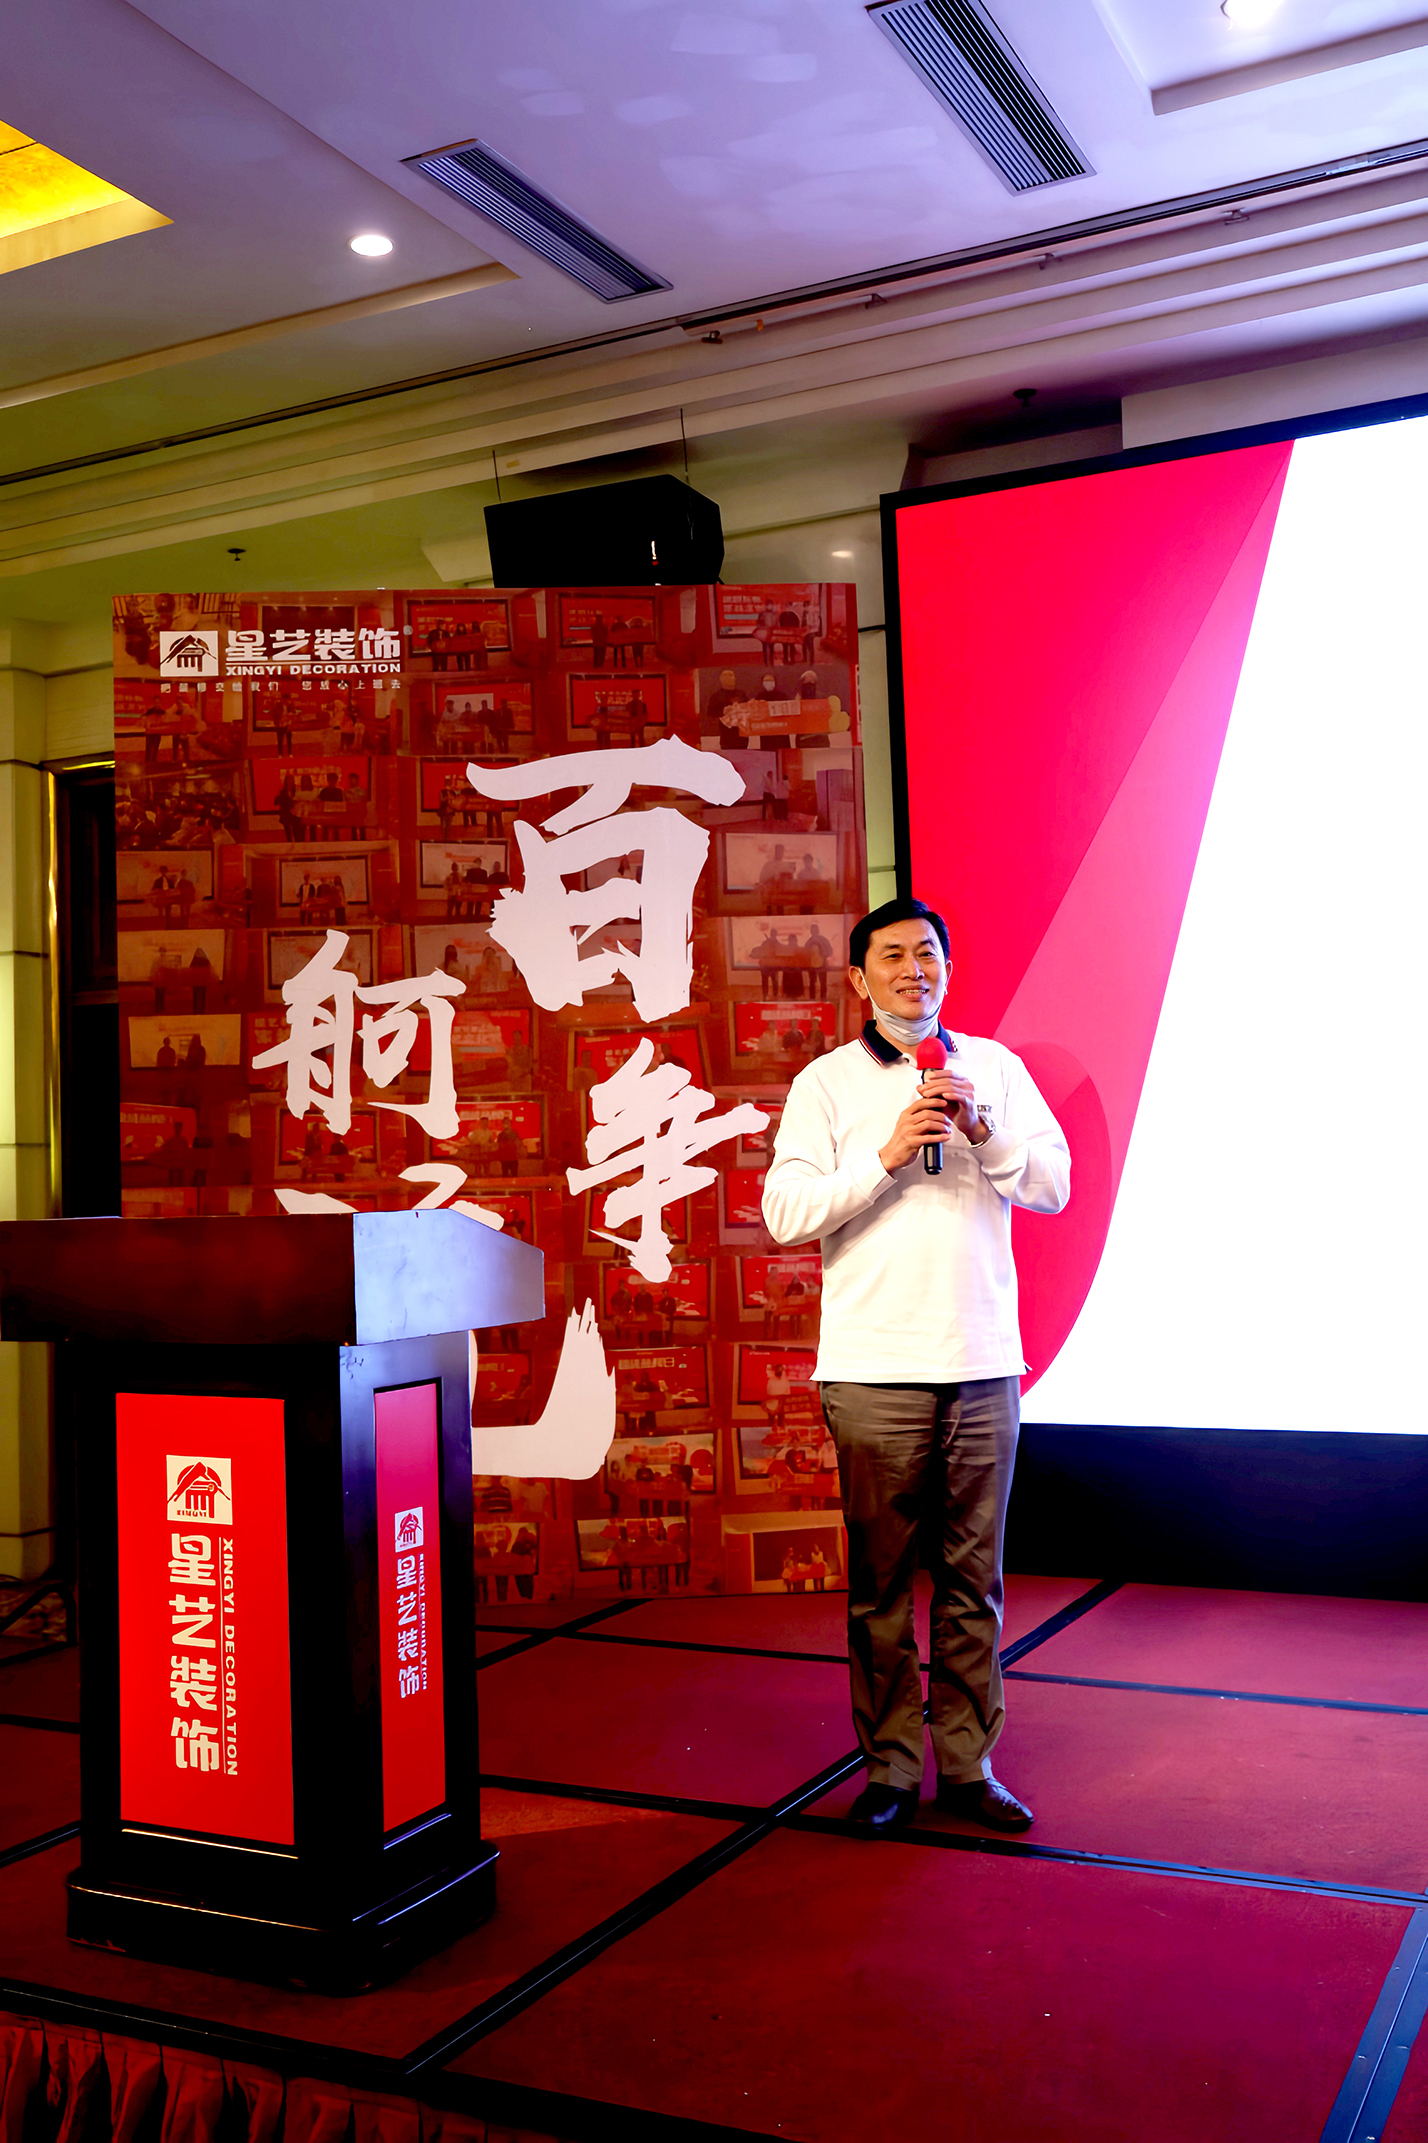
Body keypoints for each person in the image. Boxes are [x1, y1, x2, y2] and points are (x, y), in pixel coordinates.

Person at [761, 896, 1069, 1838]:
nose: (914, 969)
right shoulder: (825, 1082)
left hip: (982, 1361)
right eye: (891, 955)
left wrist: (984, 1129)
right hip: (872, 1367)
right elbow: (785, 1211)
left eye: (927, 952)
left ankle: (969, 1765)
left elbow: (1054, 1186)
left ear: (948, 968)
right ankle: (891, 1767)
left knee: (976, 1582)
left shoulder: (996, 1069)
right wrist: (888, 1154)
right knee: (882, 1585)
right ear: (860, 978)